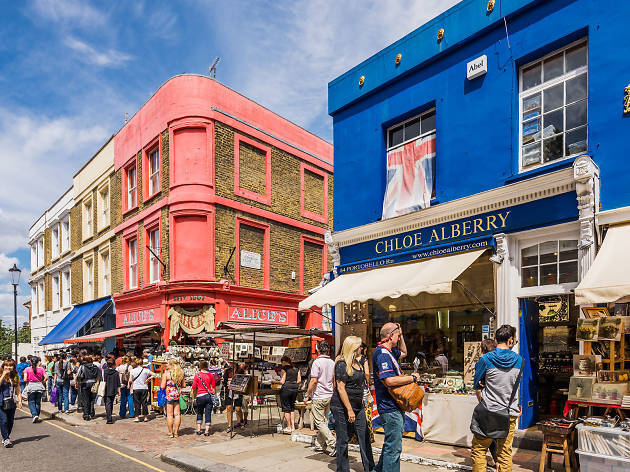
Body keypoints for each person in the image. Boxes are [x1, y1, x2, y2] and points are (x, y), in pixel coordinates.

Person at [470, 325, 523, 472]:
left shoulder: (485, 359)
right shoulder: (520, 360)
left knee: (479, 450)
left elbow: (476, 384)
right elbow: (516, 385)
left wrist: (484, 382)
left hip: (488, 412)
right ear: (510, 340)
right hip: (509, 412)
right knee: (505, 453)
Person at [373, 322, 417, 472]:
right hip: (389, 407)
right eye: (397, 336)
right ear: (390, 335)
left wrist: (401, 333)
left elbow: (404, 352)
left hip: (393, 406)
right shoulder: (383, 355)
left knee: (390, 444)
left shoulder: (390, 352)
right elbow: (389, 381)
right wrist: (412, 378)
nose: (399, 339)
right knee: (394, 449)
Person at [331, 336, 375, 472]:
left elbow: (362, 384)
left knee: (365, 436)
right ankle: (343, 469)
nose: (362, 348)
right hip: (341, 407)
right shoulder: (341, 364)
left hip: (358, 405)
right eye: (359, 346)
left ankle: (370, 468)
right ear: (353, 347)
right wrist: (349, 409)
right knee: (343, 439)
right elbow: (340, 387)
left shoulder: (359, 363)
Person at [305, 340, 336, 455]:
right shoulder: (332, 362)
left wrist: (307, 395)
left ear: (317, 350)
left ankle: (333, 443)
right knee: (324, 422)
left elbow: (313, 380)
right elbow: (333, 381)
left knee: (320, 423)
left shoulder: (316, 363)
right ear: (328, 350)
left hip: (319, 396)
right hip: (329, 395)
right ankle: (319, 445)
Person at [475, 338, 499, 468]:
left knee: (483, 438)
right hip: (501, 403)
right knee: (495, 435)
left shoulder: (483, 361)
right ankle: (498, 460)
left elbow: (477, 386)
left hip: (488, 402)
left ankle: (495, 460)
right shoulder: (501, 361)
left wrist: (481, 402)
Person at [274, 355, 301, 434]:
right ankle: (293, 426)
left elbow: (282, 381)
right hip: (295, 389)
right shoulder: (296, 368)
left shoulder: (284, 369)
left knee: (286, 408)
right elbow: (299, 380)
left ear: (284, 362)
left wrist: (274, 381)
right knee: (292, 408)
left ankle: (289, 426)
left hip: (286, 389)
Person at [0, 359, 23, 448]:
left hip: (11, 402)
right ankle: (6, 439)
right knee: (4, 420)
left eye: (11, 365)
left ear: (13, 367)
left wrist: (20, 401)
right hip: (1, 402)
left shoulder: (15, 377)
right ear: (3, 366)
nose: (8, 367)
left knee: (10, 422)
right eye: (6, 365)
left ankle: (5, 436)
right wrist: (3, 375)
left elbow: (18, 390)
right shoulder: (1, 375)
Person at [161, 359, 185, 437]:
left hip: (169, 395)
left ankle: (171, 432)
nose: (166, 365)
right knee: (177, 414)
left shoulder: (167, 374)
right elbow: (184, 385)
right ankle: (176, 432)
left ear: (171, 365)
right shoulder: (180, 373)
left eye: (167, 364)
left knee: (170, 415)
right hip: (177, 395)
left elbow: (162, 386)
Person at [191, 360, 216, 436]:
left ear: (200, 367)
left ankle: (199, 429)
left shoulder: (197, 375)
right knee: (208, 413)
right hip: (208, 395)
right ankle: (207, 431)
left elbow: (194, 386)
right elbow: (213, 387)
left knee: (200, 412)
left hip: (200, 395)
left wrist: (192, 393)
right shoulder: (211, 375)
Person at [130, 357, 155, 423]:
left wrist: (131, 384)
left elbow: (130, 380)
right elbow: (154, 374)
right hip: (144, 388)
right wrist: (148, 379)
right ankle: (145, 417)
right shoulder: (145, 370)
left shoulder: (133, 371)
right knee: (144, 403)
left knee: (136, 403)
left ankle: (137, 417)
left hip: (136, 388)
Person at [23, 356, 47, 423]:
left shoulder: (27, 369)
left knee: (31, 402)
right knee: (38, 402)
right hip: (39, 386)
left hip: (31, 386)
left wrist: (29, 380)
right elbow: (46, 377)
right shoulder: (41, 369)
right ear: (38, 362)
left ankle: (34, 415)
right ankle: (37, 415)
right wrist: (43, 381)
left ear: (30, 362)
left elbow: (25, 379)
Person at [77, 355, 101, 421]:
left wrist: (78, 383)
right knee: (92, 400)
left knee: (85, 400)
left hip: (85, 384)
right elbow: (99, 376)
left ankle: (86, 415)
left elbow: (79, 375)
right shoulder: (95, 367)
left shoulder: (82, 367)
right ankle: (92, 413)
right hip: (94, 384)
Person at [103, 356, 121, 424]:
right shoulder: (116, 373)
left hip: (106, 389)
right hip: (113, 390)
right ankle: (109, 416)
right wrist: (119, 391)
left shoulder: (104, 372)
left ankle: (109, 418)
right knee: (111, 403)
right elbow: (118, 383)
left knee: (107, 403)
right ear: (113, 364)